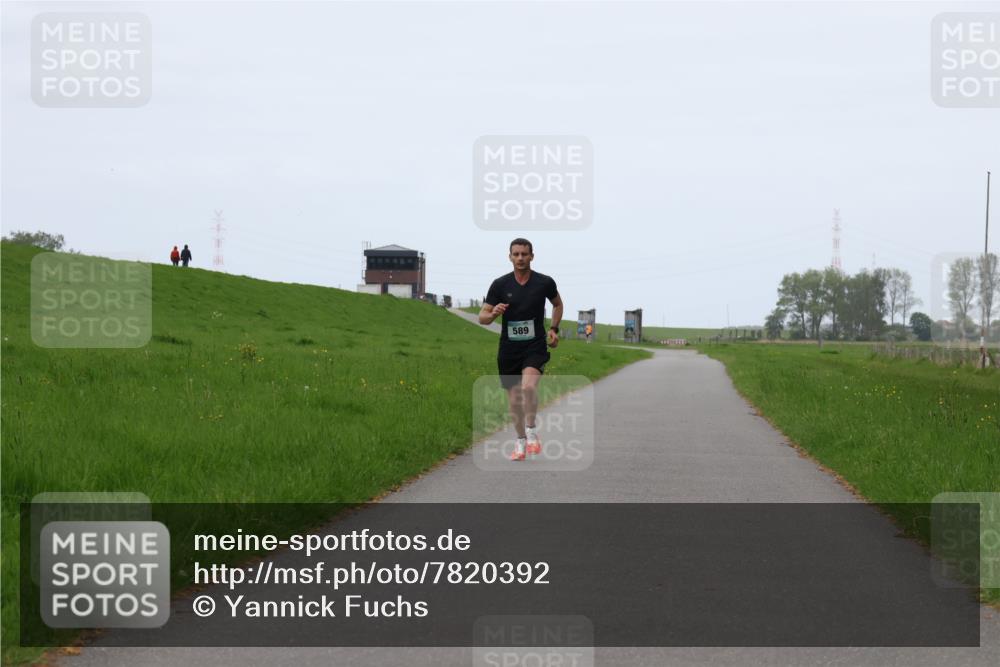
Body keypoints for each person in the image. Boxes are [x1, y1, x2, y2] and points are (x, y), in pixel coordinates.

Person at [479, 238, 563, 461]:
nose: (520, 258)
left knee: (528, 387)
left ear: (532, 256)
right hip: (509, 348)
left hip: (534, 345)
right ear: (509, 257)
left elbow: (557, 304)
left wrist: (554, 329)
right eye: (516, 254)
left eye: (524, 254)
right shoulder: (500, 285)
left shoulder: (544, 282)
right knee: (514, 400)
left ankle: (532, 431)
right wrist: (494, 312)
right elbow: (482, 318)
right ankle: (520, 442)